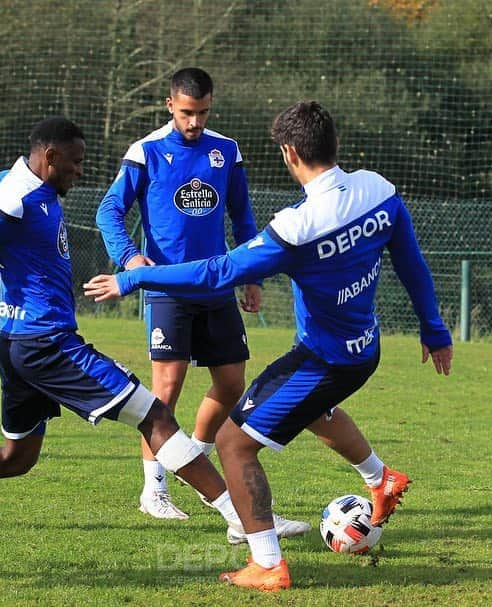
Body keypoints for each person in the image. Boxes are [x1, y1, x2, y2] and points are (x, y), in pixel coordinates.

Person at [84, 101, 454, 591]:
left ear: (289, 153)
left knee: (236, 444)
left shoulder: (296, 228)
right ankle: (379, 478)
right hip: (364, 349)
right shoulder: (377, 190)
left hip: (325, 360)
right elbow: (411, 263)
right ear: (335, 144)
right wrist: (434, 329)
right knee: (309, 410)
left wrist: (135, 279)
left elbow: (216, 272)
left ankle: (267, 563)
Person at [0, 118, 250, 554]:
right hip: (47, 345)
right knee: (154, 415)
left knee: (16, 459)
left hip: (21, 344)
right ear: (50, 157)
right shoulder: (15, 202)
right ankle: (242, 518)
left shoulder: (29, 187)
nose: (80, 172)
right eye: (76, 163)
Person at [95, 68, 306, 540]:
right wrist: (130, 257)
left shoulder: (225, 151)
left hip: (217, 285)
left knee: (232, 382)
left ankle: (196, 459)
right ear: (170, 105)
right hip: (167, 287)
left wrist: (252, 273)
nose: (194, 122)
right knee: (165, 391)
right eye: (187, 112)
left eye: (203, 112)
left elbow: (242, 215)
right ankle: (154, 490)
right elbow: (109, 210)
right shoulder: (146, 152)